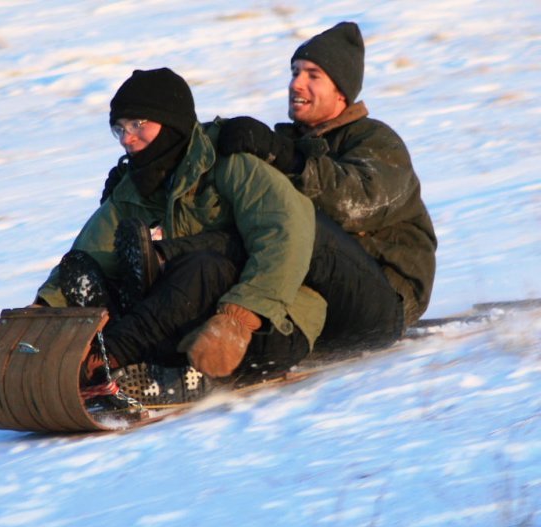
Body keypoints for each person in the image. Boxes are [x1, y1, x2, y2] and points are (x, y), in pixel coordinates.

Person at [103, 22, 437, 355]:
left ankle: (162, 257)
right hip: (309, 297)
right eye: (294, 72)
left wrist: (289, 159)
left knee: (294, 221)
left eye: (312, 75)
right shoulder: (288, 140)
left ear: (342, 90)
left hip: (381, 303)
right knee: (240, 235)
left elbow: (359, 204)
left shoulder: (375, 140)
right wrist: (151, 166)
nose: (296, 84)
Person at [33, 67, 326, 396]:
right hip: (180, 314)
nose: (127, 138)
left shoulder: (229, 163)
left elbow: (285, 233)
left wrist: (240, 316)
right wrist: (43, 310)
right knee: (100, 272)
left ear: (171, 122)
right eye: (119, 128)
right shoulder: (134, 187)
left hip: (268, 322)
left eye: (138, 125)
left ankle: (106, 359)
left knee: (201, 268)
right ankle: (94, 347)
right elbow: (92, 250)